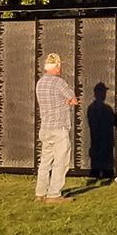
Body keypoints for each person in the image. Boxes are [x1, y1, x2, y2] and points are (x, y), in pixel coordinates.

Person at [35, 53, 79, 203]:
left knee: (45, 162)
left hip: (45, 128)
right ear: (56, 66)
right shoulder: (60, 83)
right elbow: (74, 100)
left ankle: (40, 193)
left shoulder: (40, 83)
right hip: (59, 128)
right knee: (60, 162)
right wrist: (66, 102)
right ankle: (54, 194)